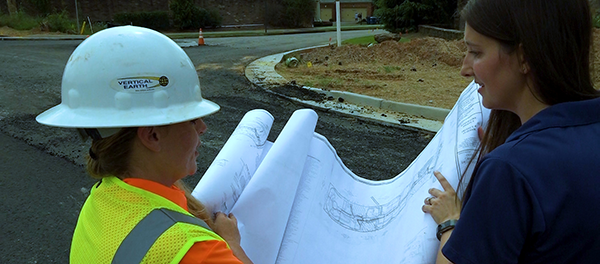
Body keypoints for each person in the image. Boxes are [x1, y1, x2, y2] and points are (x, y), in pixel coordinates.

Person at [36, 26, 253, 264]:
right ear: (152, 136)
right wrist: (231, 243)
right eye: (191, 120)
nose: (203, 127)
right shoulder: (195, 249)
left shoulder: (101, 198)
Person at [421, 0, 600, 263]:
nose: (465, 69)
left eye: (476, 52)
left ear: (524, 57)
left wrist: (451, 221)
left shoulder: (510, 170)